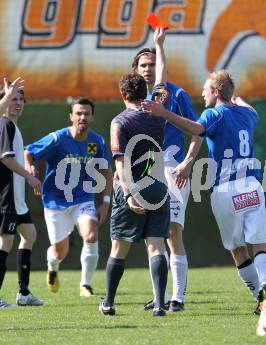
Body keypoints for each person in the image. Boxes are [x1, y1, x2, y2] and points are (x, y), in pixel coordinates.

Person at [144, 69, 266, 314]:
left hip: (226, 188)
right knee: (259, 244)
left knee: (237, 249)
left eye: (205, 89)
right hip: (253, 185)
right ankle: (265, 284)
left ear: (216, 92)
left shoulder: (213, 113)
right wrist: (236, 96)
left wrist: (163, 112)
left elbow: (195, 129)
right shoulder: (248, 114)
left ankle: (259, 294)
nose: (202, 94)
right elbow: (250, 108)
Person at [99, 28, 170, 317]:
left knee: (119, 249)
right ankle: (161, 304)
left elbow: (120, 163)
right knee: (156, 247)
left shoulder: (119, 122)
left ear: (122, 94)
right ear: (144, 91)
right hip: (158, 186)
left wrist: (128, 193)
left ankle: (108, 302)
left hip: (134, 188)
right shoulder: (156, 110)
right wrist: (160, 46)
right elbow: (163, 78)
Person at [131, 34, 202, 312]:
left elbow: (198, 131)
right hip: (147, 171)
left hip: (174, 169)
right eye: (142, 65)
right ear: (135, 71)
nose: (147, 69)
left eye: (151, 64)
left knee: (173, 232)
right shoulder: (135, 99)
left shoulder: (173, 94)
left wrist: (188, 162)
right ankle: (160, 295)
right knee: (153, 237)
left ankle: (178, 298)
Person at [24, 97, 112, 297]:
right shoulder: (58, 139)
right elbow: (28, 151)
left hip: (83, 199)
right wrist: (30, 167)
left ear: (92, 117)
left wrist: (106, 202)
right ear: (71, 116)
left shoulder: (97, 141)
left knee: (91, 235)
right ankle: (52, 266)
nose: (82, 117)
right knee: (60, 251)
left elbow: (107, 170)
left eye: (86, 114)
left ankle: (85, 285)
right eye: (78, 113)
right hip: (55, 202)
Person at [0, 77, 44, 308]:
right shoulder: (4, 124)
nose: (18, 102)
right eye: (12, 98)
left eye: (21, 99)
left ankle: (23, 293)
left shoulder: (13, 126)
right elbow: (5, 158)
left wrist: (26, 169)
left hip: (17, 200)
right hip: (6, 197)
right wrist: (29, 176)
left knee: (30, 234)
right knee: (5, 242)